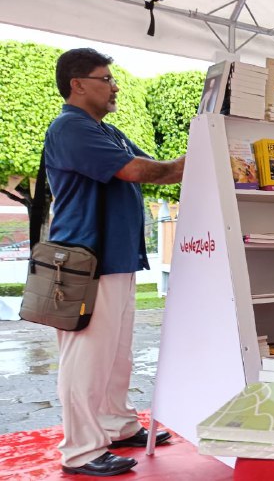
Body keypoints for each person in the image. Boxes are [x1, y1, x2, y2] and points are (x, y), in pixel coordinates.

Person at [44, 48, 185, 477]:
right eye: (105, 78)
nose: (115, 86)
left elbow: (158, 167)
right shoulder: (70, 128)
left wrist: (194, 160)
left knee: (116, 353)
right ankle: (82, 450)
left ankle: (116, 423)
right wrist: (202, 155)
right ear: (78, 84)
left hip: (113, 258)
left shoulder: (106, 130)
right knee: (86, 358)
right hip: (88, 260)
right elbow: (143, 172)